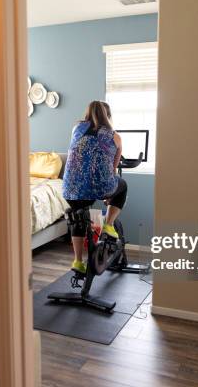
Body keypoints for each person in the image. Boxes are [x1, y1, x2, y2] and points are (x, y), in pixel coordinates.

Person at [62, 101, 127, 274]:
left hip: (70, 188)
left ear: (87, 113)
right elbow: (112, 169)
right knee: (123, 185)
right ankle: (109, 224)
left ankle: (77, 261)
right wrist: (108, 195)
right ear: (108, 116)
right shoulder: (115, 136)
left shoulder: (76, 130)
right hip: (101, 187)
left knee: (78, 218)